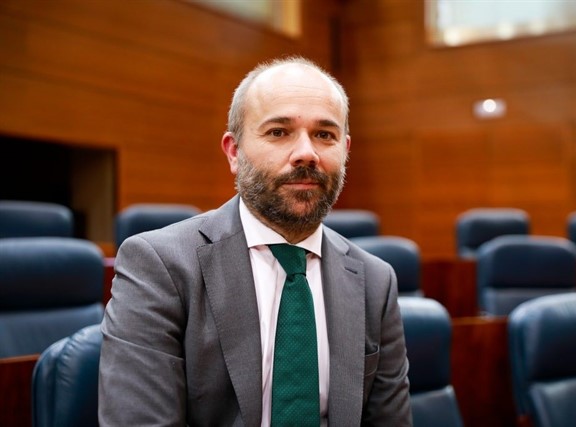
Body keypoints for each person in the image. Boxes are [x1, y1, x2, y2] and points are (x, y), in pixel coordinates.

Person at [99, 56, 411, 426]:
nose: (306, 153)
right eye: (278, 132)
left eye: (324, 135)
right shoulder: (159, 265)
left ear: (345, 150)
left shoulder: (376, 281)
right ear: (234, 152)